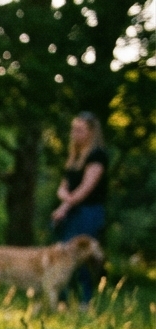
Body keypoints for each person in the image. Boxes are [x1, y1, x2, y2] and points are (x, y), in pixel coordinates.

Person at [52, 112, 108, 306]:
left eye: (80, 130)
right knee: (62, 256)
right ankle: (63, 301)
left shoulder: (97, 156)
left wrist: (64, 206)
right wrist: (64, 205)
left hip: (88, 213)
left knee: (83, 258)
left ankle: (85, 302)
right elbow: (63, 188)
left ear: (91, 132)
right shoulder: (74, 156)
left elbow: (85, 190)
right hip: (71, 211)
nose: (75, 133)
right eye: (74, 129)